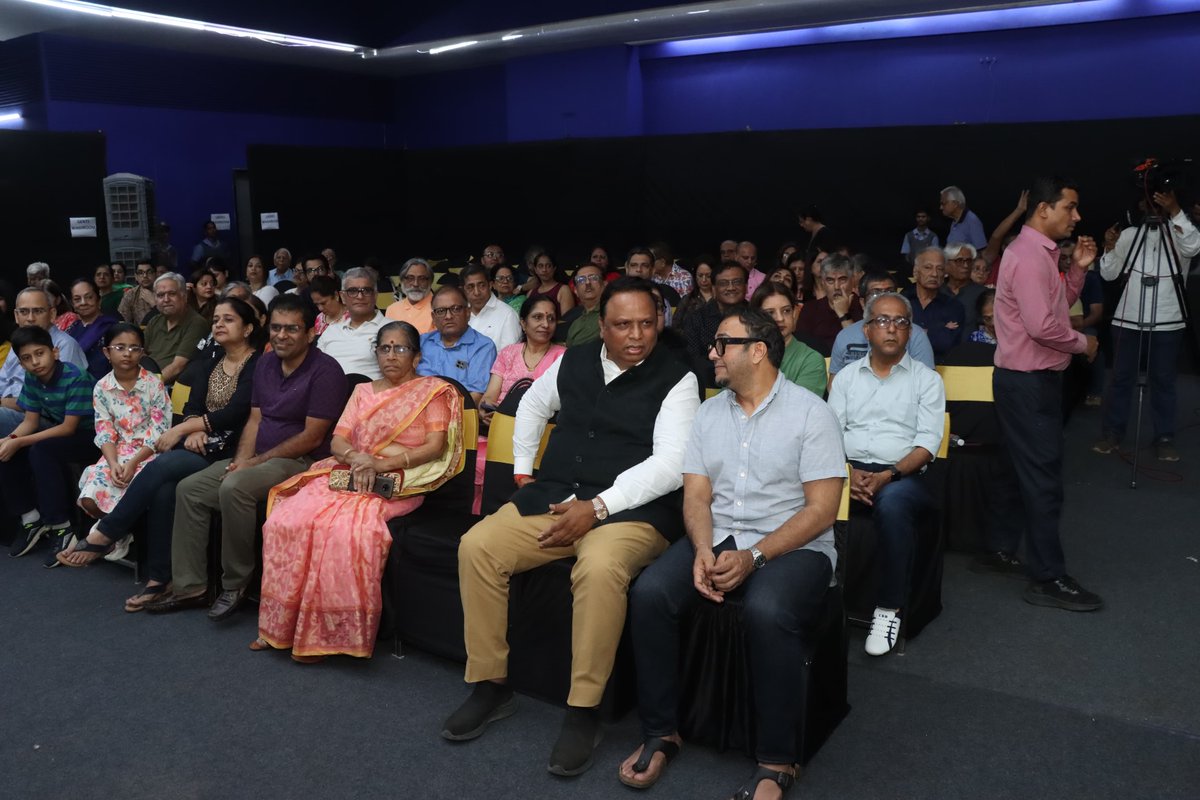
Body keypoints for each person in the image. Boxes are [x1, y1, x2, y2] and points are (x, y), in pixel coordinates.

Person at [441, 277, 700, 777]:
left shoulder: (679, 377)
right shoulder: (575, 359)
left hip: (635, 511)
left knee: (599, 567)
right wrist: (521, 469)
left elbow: (670, 465)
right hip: (558, 496)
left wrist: (599, 506)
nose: (636, 335)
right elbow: (533, 404)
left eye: (647, 323)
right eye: (622, 324)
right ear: (600, 326)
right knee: (478, 547)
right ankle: (491, 685)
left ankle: (584, 710)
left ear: (660, 322)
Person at [618, 308, 845, 797]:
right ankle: (661, 732)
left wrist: (755, 557)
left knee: (766, 610)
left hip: (795, 543)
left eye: (723, 343)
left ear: (757, 351)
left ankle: (778, 761)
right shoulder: (708, 412)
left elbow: (823, 511)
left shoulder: (812, 412)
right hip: (719, 535)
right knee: (651, 593)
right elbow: (696, 496)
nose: (711, 352)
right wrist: (701, 549)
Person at [254, 321, 464, 662]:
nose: (391, 356)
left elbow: (435, 447)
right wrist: (356, 458)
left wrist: (380, 465)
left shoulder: (432, 392)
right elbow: (339, 440)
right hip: (350, 472)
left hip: (399, 481)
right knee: (286, 518)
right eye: (384, 348)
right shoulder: (363, 391)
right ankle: (282, 625)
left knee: (345, 530)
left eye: (401, 348)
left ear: (417, 356)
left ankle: (326, 634)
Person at [143, 294, 347, 619]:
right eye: (277, 327)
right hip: (259, 457)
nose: (282, 335)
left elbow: (312, 436)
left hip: (305, 462)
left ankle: (236, 583)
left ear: (311, 333)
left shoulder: (326, 371)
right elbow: (255, 419)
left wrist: (251, 465)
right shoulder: (266, 362)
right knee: (190, 490)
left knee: (234, 487)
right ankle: (191, 587)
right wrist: (242, 459)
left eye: (292, 329)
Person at [58, 299, 260, 609]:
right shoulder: (212, 356)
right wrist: (193, 430)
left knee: (162, 466)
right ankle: (159, 579)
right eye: (216, 318)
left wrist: (185, 429)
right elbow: (194, 403)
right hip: (200, 441)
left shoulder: (258, 363)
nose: (218, 324)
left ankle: (106, 533)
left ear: (248, 328)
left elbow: (238, 412)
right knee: (166, 491)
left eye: (228, 319)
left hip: (233, 445)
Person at [992, 175, 1102, 611]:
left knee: (1014, 473)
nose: (1076, 217)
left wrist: (1079, 270)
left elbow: (1056, 305)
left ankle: (999, 549)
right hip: (1030, 384)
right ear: (1043, 209)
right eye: (1069, 208)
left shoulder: (1035, 254)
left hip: (1021, 382)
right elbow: (1045, 327)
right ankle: (1047, 578)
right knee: (1043, 482)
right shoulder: (1031, 257)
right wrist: (1085, 344)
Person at [827, 292, 945, 655]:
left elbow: (927, 444)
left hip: (903, 476)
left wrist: (888, 475)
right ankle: (820, 599)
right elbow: (830, 434)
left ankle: (888, 608)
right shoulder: (846, 378)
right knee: (807, 494)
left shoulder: (927, 380)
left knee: (892, 503)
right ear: (866, 331)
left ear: (910, 332)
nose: (890, 328)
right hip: (849, 471)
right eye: (881, 321)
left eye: (900, 322)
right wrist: (849, 473)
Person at [1095, 188, 1200, 460]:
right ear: (1141, 205)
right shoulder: (1129, 235)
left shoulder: (1180, 233)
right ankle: (1112, 433)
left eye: (1160, 202)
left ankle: (1164, 437)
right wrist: (1108, 246)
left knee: (1163, 381)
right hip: (1127, 319)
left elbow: (1194, 246)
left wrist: (1177, 210)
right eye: (1148, 202)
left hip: (1168, 321)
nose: (1153, 206)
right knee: (1120, 379)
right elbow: (1108, 274)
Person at [3, 326, 96, 565]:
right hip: (59, 431)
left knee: (41, 450)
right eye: (27, 358)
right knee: (5, 449)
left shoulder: (76, 377)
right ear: (21, 363)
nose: (35, 362)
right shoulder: (32, 378)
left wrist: (19, 441)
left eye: (40, 353)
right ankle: (30, 518)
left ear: (54, 352)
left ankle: (62, 527)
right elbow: (30, 421)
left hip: (94, 436)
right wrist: (10, 441)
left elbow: (69, 428)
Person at [72, 324, 170, 526]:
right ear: (106, 352)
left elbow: (160, 431)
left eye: (135, 348)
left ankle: (111, 532)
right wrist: (113, 463)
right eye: (120, 347)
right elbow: (104, 431)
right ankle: (117, 532)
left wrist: (133, 463)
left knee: (133, 490)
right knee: (89, 499)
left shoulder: (154, 384)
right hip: (115, 454)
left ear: (142, 352)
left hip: (149, 453)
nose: (128, 353)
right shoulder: (102, 387)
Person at [0, 287, 89, 437]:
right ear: (16, 316)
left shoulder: (63, 345)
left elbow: (52, 403)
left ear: (52, 314)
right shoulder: (19, 342)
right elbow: (2, 381)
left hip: (49, 421)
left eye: (38, 311)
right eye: (23, 312)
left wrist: (4, 403)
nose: (30, 318)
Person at [478, 297, 566, 426]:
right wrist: (485, 409)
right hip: (500, 422)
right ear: (523, 323)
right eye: (538, 317)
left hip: (542, 428)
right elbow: (490, 395)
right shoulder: (507, 353)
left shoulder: (563, 357)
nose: (546, 324)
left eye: (551, 319)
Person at [830, 272, 935, 376]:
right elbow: (835, 385)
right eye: (875, 293)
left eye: (890, 292)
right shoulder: (845, 336)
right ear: (862, 302)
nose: (883, 298)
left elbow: (926, 381)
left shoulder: (915, 334)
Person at [416, 286, 496, 404]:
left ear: (468, 313)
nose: (448, 316)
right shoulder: (422, 342)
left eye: (455, 309)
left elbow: (475, 395)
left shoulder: (482, 347)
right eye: (441, 311)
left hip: (458, 415)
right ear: (433, 317)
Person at [750, 281, 826, 396]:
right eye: (770, 312)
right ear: (755, 318)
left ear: (795, 313)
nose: (780, 318)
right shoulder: (744, 354)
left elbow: (799, 407)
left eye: (786, 311)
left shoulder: (811, 359)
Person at [681, 262, 748, 387]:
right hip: (708, 385)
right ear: (713, 289)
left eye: (737, 282)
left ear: (746, 286)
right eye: (723, 283)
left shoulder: (757, 317)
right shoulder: (696, 318)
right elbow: (693, 359)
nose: (731, 288)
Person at [317, 268, 388, 379]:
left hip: (373, 394)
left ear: (375, 295)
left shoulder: (392, 329)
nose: (360, 296)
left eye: (366, 290)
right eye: (353, 291)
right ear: (343, 297)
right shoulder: (331, 330)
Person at [143, 273, 210, 385]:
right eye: (160, 295)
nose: (166, 299)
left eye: (172, 294)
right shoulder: (155, 321)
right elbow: (139, 354)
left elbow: (178, 366)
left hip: (168, 388)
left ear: (184, 296)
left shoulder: (196, 323)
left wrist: (149, 385)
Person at [794, 254, 863, 356]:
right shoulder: (810, 309)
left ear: (852, 280)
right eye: (830, 280)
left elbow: (859, 350)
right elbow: (801, 349)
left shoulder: (863, 306)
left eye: (842, 279)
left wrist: (844, 315)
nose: (837, 287)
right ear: (822, 282)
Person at [903, 247, 964, 358]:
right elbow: (898, 341)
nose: (934, 274)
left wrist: (914, 333)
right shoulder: (901, 301)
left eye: (940, 269)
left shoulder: (954, 306)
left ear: (945, 273)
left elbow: (945, 344)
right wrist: (939, 330)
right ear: (915, 272)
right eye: (928, 268)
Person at [66, 278, 120, 380]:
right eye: (77, 299)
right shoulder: (71, 329)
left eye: (89, 297)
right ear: (72, 304)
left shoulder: (113, 328)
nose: (83, 303)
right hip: (74, 385)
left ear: (98, 299)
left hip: (105, 385)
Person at [463, 264, 521, 352]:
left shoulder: (508, 314)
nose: (476, 292)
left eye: (481, 285)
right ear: (463, 289)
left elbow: (509, 356)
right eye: (470, 287)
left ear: (490, 285)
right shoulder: (459, 313)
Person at [942, 242, 987, 335]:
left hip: (971, 347)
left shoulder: (983, 294)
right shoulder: (935, 291)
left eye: (969, 261)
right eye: (959, 261)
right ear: (946, 264)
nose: (966, 265)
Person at [386, 257, 436, 332]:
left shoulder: (439, 309)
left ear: (430, 281)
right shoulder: (392, 309)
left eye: (421, 278)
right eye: (410, 278)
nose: (415, 284)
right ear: (402, 280)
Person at [560, 264, 604, 347]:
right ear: (575, 290)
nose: (587, 283)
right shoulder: (575, 323)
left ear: (604, 284)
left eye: (593, 278)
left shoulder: (613, 313)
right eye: (581, 280)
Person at [523, 250, 575, 318]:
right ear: (535, 270)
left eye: (548, 266)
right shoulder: (530, 293)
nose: (544, 270)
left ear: (554, 269)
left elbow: (567, 321)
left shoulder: (563, 290)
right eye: (540, 266)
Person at [673, 256, 715, 330]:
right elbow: (676, 326)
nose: (704, 280)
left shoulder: (721, 299)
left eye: (708, 276)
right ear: (695, 276)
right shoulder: (687, 300)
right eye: (700, 275)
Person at [939, 186, 987, 250]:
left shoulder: (972, 220)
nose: (941, 207)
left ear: (955, 204)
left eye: (943, 204)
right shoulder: (955, 220)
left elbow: (981, 251)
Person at [118, 260, 157, 326]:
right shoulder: (130, 294)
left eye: (149, 272)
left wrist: (154, 303)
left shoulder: (164, 291)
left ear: (155, 274)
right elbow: (122, 322)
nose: (145, 276)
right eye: (140, 272)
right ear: (136, 277)